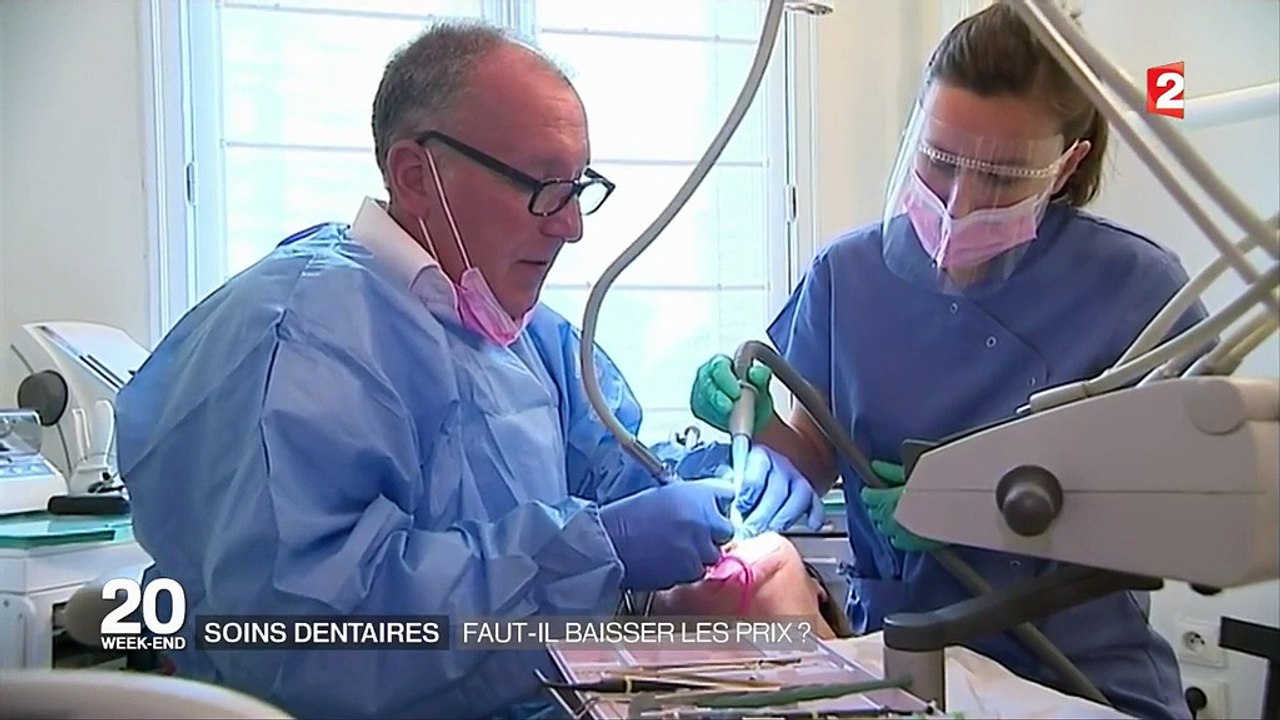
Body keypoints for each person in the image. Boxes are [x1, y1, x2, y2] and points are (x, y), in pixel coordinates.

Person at [113, 21, 820, 720]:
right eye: (543, 186)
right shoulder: (299, 345)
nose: (570, 225)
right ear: (416, 176)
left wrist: (704, 483)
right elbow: (318, 640)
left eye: (579, 187)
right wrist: (600, 551)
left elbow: (605, 473)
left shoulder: (515, 330)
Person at [689, 6, 1205, 720]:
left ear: (1068, 165)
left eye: (1000, 175)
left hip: (1078, 679)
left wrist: (991, 510)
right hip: (904, 665)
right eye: (938, 159)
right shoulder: (849, 276)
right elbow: (820, 459)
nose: (959, 202)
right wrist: (748, 416)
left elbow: (1191, 516)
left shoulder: (1138, 291)